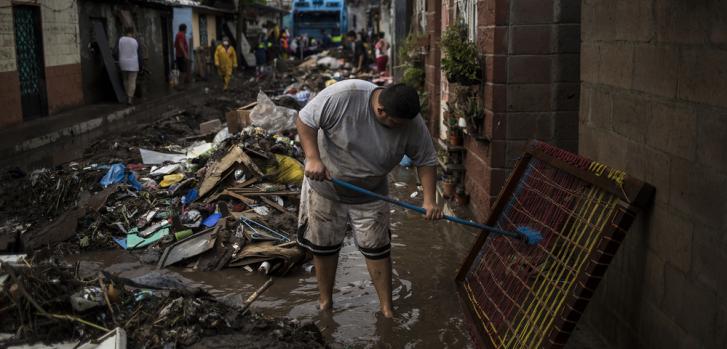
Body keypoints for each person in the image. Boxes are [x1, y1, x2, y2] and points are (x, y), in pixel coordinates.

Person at [295, 80, 442, 318]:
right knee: (324, 247)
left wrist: (429, 200)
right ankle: (325, 304)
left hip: (371, 191)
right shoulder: (344, 96)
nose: (400, 129)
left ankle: (387, 309)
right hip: (326, 186)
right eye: (395, 124)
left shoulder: (411, 121)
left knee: (377, 248)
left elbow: (425, 159)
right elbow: (305, 120)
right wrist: (312, 157)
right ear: (381, 111)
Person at [118, 27, 139, 105]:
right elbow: (138, 52)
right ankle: (130, 98)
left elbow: (116, 51)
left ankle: (127, 96)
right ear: (132, 32)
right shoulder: (135, 41)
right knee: (132, 81)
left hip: (123, 63)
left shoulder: (120, 40)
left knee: (125, 80)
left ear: (125, 32)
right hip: (133, 64)